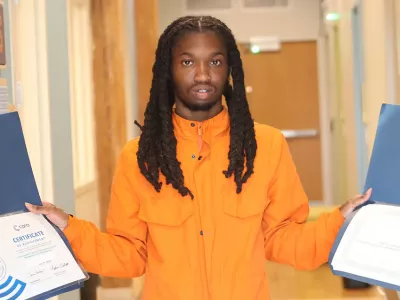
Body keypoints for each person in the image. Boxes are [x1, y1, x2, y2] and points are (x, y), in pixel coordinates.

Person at [26, 15, 371, 300]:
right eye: (188, 61)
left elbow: (285, 240)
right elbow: (129, 255)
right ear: (169, 69)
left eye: (215, 62)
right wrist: (69, 228)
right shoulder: (138, 157)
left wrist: (339, 219)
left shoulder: (267, 146)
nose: (203, 74)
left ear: (229, 69)